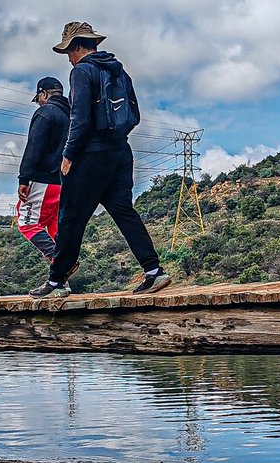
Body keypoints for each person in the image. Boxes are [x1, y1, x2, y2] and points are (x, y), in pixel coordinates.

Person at [29, 22, 171, 298]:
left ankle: (57, 282)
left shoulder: (82, 71)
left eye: (68, 51)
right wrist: (113, 140)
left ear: (77, 46)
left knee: (71, 217)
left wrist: (69, 154)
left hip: (90, 157)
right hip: (120, 152)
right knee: (124, 211)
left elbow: (79, 117)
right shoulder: (119, 71)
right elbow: (134, 115)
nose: (68, 57)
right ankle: (154, 271)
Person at [16, 76, 70, 266]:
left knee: (27, 223)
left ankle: (62, 261)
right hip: (64, 183)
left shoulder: (45, 113)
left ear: (44, 94)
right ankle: (59, 281)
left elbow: (34, 147)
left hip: (43, 180)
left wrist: (24, 178)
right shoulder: (72, 115)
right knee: (55, 228)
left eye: (38, 98)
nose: (38, 103)